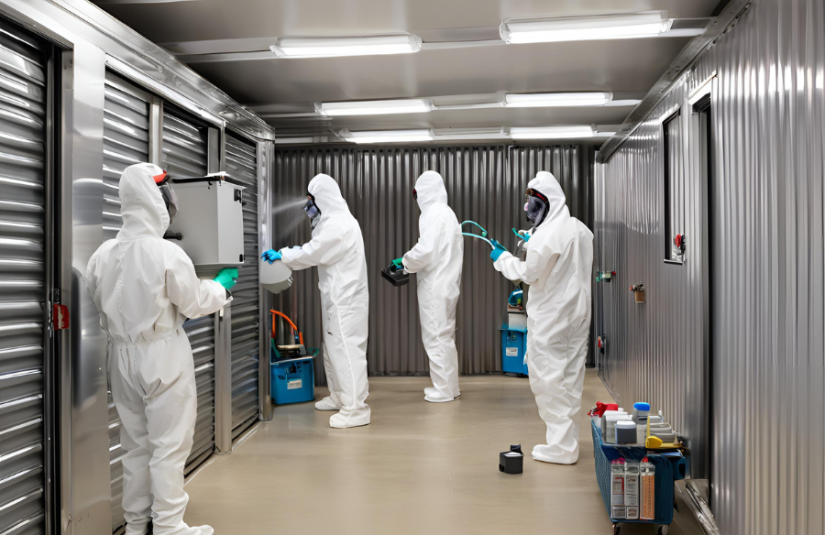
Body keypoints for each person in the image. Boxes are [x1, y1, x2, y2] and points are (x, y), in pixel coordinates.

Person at [86, 163, 238, 535]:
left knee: (135, 446)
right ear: (154, 199)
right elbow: (193, 302)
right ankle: (169, 527)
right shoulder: (166, 253)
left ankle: (137, 526)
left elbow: (96, 298)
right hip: (162, 355)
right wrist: (220, 287)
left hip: (120, 356)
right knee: (169, 445)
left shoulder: (102, 254)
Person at [490, 171, 593, 465]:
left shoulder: (546, 235)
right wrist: (532, 240)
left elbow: (529, 273)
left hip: (552, 317)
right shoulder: (579, 229)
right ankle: (567, 440)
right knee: (571, 376)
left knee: (547, 377)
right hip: (578, 315)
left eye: (534, 204)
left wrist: (502, 259)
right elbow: (563, 260)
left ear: (549, 203)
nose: (529, 211)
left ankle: (560, 447)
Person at [262, 173, 370, 428]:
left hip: (346, 299)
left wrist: (283, 255)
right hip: (337, 296)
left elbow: (314, 252)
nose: (308, 205)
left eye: (311, 200)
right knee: (333, 349)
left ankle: (356, 409)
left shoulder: (339, 225)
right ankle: (339, 396)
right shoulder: (332, 222)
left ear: (323, 199)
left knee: (346, 350)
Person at [400, 171, 463, 402]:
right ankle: (450, 386)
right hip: (448, 284)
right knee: (444, 336)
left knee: (435, 336)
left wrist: (405, 261)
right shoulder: (448, 213)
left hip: (434, 285)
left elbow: (425, 251)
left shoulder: (431, 214)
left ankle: (444, 390)